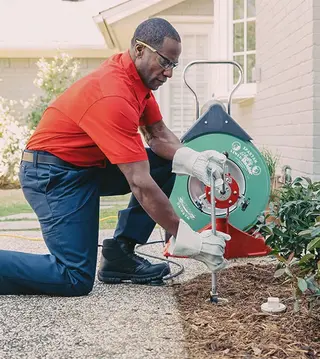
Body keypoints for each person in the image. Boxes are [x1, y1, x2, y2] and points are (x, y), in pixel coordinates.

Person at [0, 18, 229, 296]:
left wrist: (195, 161)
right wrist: (188, 238)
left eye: (173, 65)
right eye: (165, 62)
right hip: (52, 175)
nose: (169, 73)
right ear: (140, 49)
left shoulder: (139, 83)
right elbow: (140, 183)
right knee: (73, 276)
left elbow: (157, 135)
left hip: (86, 167)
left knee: (168, 163)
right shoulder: (114, 95)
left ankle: (120, 256)